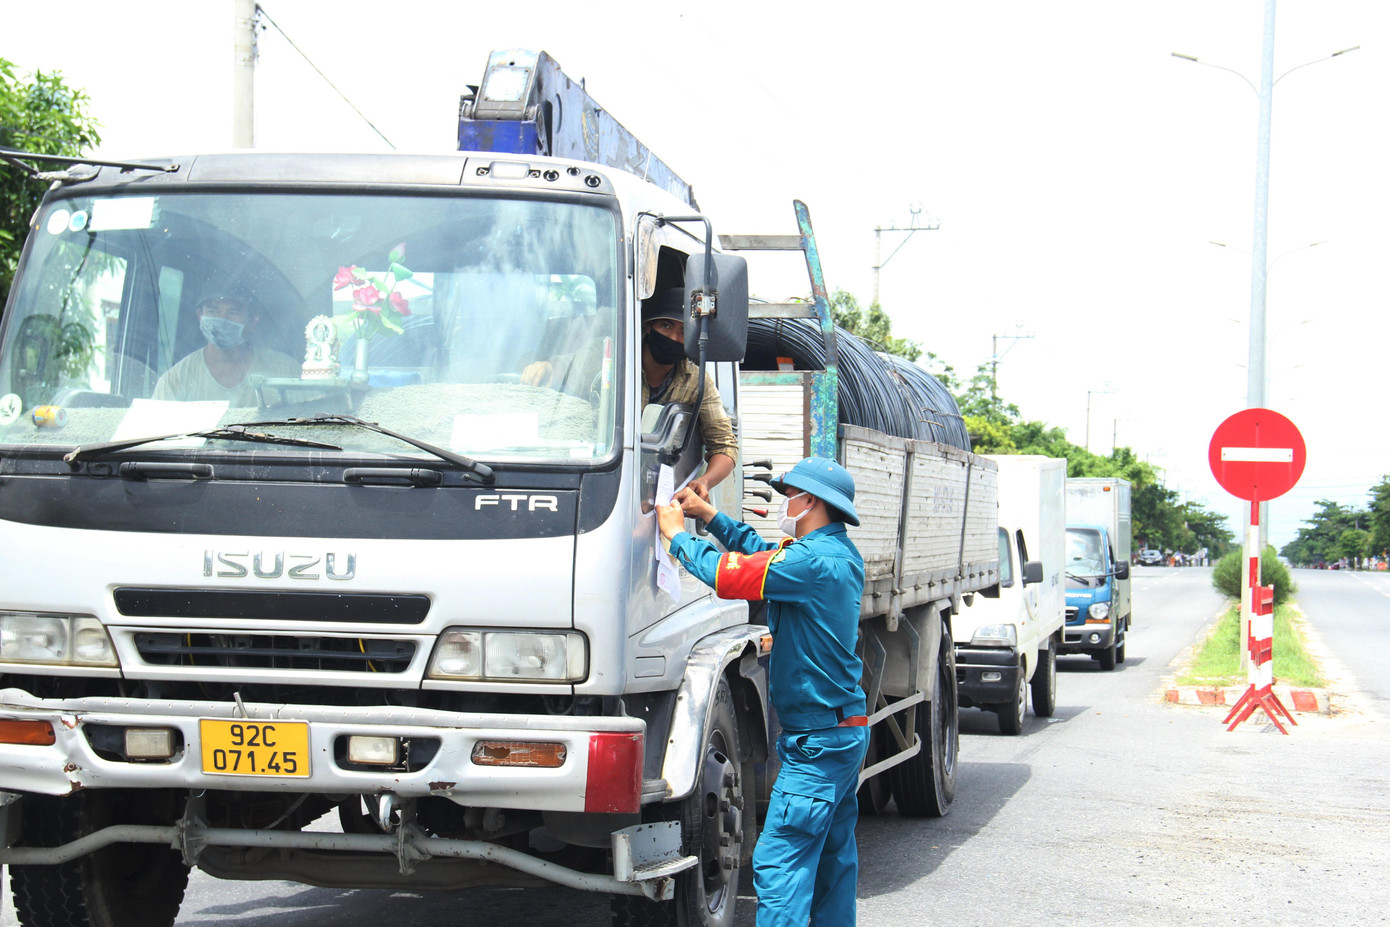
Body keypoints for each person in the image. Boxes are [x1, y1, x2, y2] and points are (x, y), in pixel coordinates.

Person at [657, 456, 869, 927]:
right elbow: (762, 554)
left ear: (809, 500)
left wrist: (677, 536)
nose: (782, 503)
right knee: (832, 866)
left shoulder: (811, 563)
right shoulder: (834, 553)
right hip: (841, 734)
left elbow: (733, 576)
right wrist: (711, 518)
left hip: (817, 742)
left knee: (781, 866)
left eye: (787, 495)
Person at [637, 288, 737, 494]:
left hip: (658, 491)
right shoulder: (613, 363)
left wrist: (704, 482)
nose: (673, 337)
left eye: (684, 332)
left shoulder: (696, 382)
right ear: (649, 326)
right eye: (666, 326)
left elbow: (724, 445)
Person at [152, 292, 299, 406]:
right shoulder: (175, 380)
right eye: (213, 311)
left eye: (232, 312)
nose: (222, 319)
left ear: (252, 321)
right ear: (200, 316)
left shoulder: (286, 372)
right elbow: (158, 438)